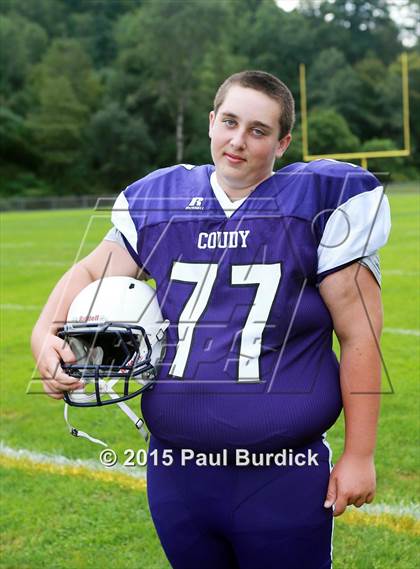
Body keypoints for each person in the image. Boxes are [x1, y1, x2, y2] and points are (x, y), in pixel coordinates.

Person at [32, 70, 390, 569]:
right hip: (178, 473)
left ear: (283, 141)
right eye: (229, 122)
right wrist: (43, 332)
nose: (238, 141)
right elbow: (93, 269)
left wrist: (359, 454)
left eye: (259, 130)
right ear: (210, 123)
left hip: (282, 473)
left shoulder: (320, 203)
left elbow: (360, 336)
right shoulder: (162, 199)